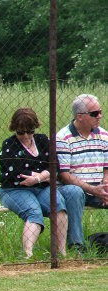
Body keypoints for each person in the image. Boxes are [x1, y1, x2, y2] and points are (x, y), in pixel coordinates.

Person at [0, 108, 76, 258]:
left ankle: (62, 252)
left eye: (30, 131)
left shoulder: (42, 140)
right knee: (34, 212)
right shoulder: (9, 145)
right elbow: (16, 173)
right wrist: (44, 175)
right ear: (14, 129)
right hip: (14, 190)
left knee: (59, 208)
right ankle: (28, 254)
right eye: (21, 132)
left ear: (35, 128)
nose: (26, 136)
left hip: (41, 187)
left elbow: (55, 166)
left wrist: (38, 178)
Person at [56, 93, 108, 249]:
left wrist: (105, 184)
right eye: (94, 113)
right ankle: (77, 245)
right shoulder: (63, 138)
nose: (100, 116)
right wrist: (93, 189)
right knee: (74, 192)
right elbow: (64, 175)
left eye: (100, 111)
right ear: (79, 116)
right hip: (76, 189)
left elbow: (107, 167)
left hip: (99, 188)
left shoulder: (104, 135)